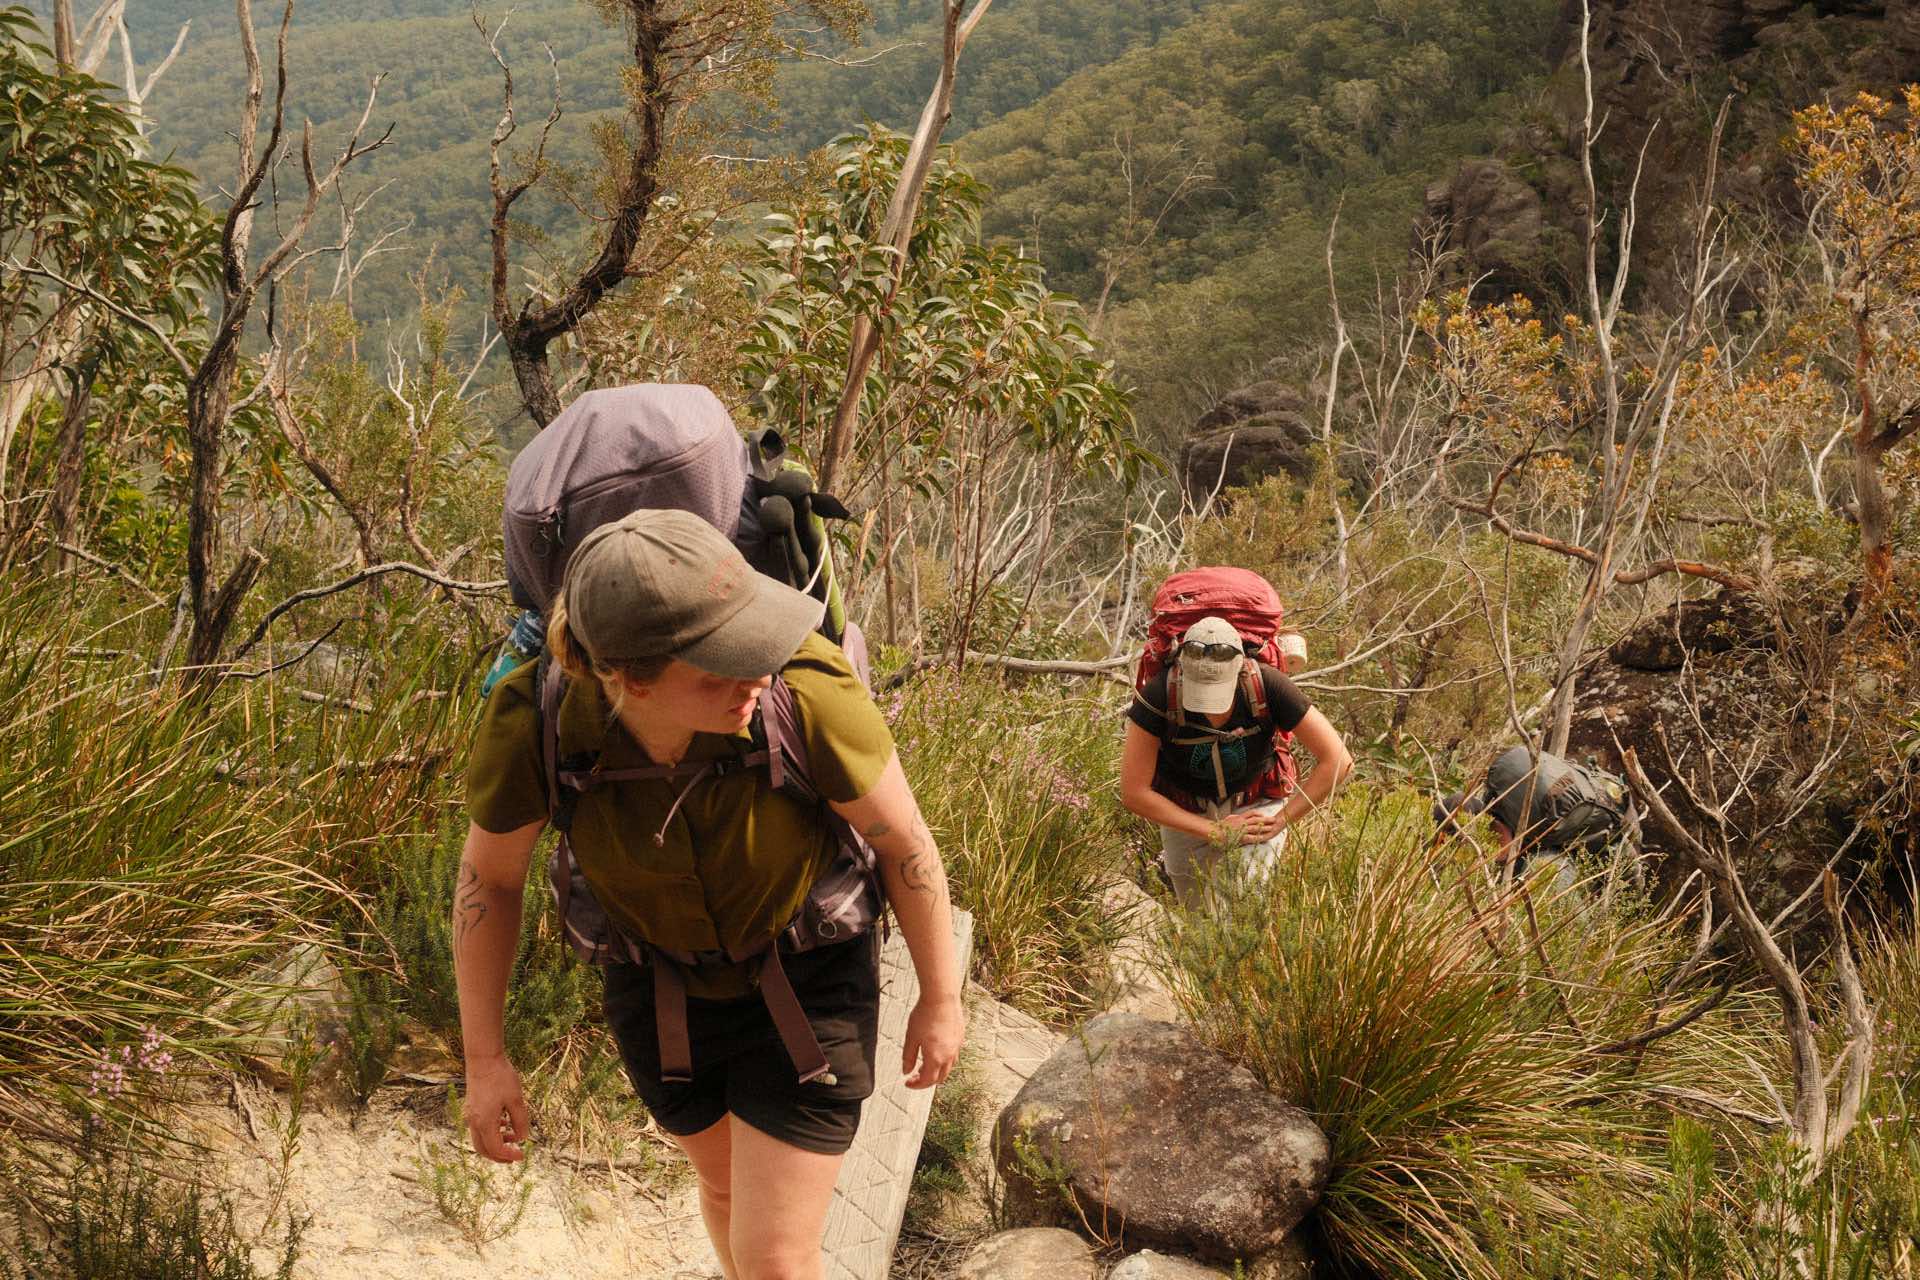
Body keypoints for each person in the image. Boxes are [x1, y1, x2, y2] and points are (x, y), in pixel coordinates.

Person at [454, 510, 964, 1280]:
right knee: (724, 1190)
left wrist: (940, 996)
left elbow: (904, 843)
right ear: (629, 678)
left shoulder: (803, 687)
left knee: (776, 1261)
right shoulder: (541, 721)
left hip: (809, 980)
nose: (755, 673)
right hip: (659, 996)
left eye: (753, 642)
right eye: (720, 665)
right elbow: (489, 879)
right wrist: (485, 1059)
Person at [1120, 616, 1353, 907]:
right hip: (1185, 810)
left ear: (1241, 667)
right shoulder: (1159, 693)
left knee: (1238, 909)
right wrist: (1213, 830)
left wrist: (1281, 821)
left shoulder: (1267, 684)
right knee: (1198, 920)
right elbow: (1134, 792)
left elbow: (1338, 760)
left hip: (1255, 806)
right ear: (1181, 668)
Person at [1433, 744, 1637, 889]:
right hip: (1521, 826)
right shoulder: (1491, 804)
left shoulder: (1547, 866)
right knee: (1454, 804)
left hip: (1549, 855)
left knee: (1544, 872)